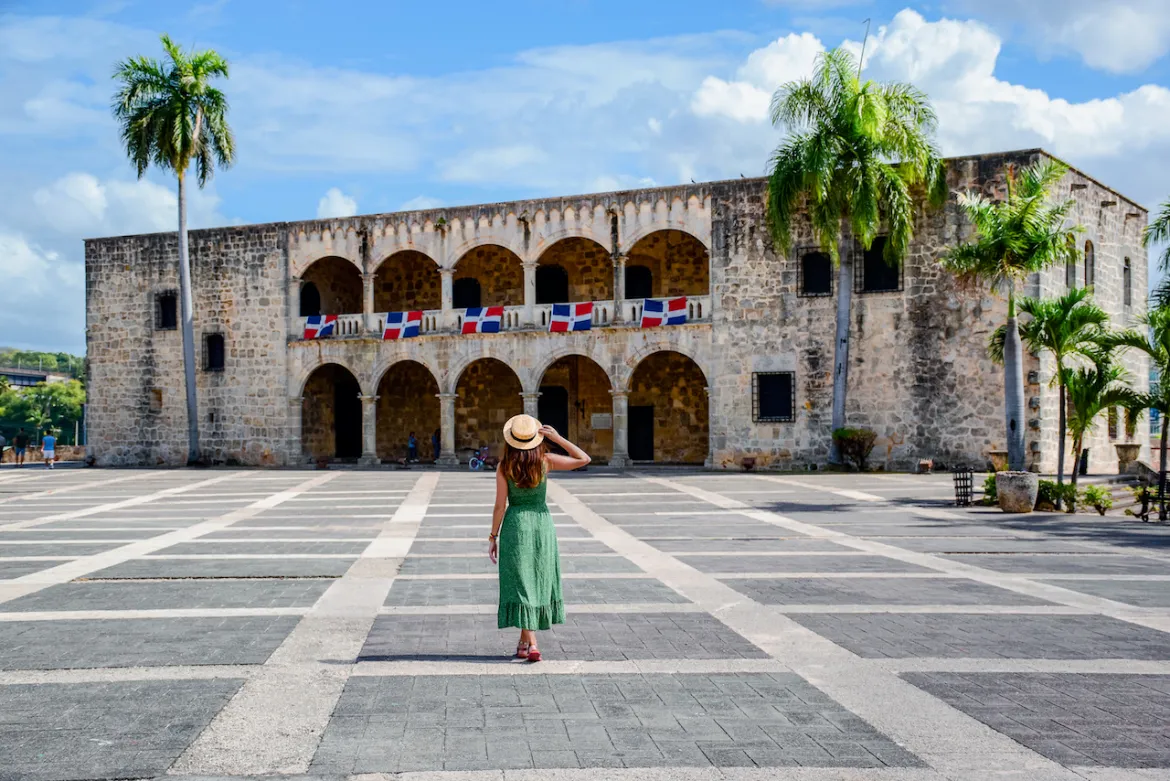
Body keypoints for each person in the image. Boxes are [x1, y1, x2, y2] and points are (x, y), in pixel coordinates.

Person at [488, 414, 590, 662]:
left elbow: (500, 505)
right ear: (536, 438)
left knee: (523, 581)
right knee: (534, 579)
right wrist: (558, 438)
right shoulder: (545, 461)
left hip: (515, 525)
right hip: (542, 525)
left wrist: (493, 535)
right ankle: (525, 643)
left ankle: (531, 644)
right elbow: (583, 459)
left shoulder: (504, 466)